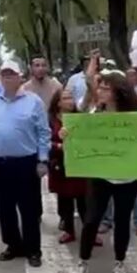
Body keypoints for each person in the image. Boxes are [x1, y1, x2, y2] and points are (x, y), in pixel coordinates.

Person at [69, 71, 137, 273]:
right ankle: (83, 261)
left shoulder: (135, 117)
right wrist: (67, 135)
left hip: (128, 178)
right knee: (91, 220)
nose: (101, 91)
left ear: (118, 91)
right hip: (100, 176)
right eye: (100, 88)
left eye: (106, 88)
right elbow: (81, 136)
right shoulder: (94, 114)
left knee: (122, 221)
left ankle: (120, 263)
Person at [0, 60, 50, 267]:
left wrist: (43, 160)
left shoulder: (34, 101)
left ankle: (33, 249)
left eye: (12, 74)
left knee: (29, 209)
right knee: (5, 208)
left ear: (20, 77)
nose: (7, 77)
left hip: (26, 163)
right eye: (4, 74)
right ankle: (13, 245)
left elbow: (44, 133)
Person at [48, 89, 93, 244]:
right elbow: (44, 142)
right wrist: (59, 145)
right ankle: (69, 230)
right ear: (58, 102)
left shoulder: (79, 117)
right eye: (65, 98)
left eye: (71, 98)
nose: (70, 101)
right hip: (60, 165)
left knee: (84, 200)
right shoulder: (51, 120)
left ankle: (90, 233)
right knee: (65, 199)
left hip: (80, 163)